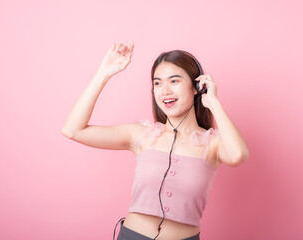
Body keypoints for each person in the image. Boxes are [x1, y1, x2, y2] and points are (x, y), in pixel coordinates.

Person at [62, 42, 250, 240]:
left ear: (196, 86)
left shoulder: (212, 143)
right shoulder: (142, 135)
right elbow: (73, 130)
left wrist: (213, 103)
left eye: (174, 81)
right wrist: (104, 73)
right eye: (157, 83)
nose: (164, 91)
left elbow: (238, 155)